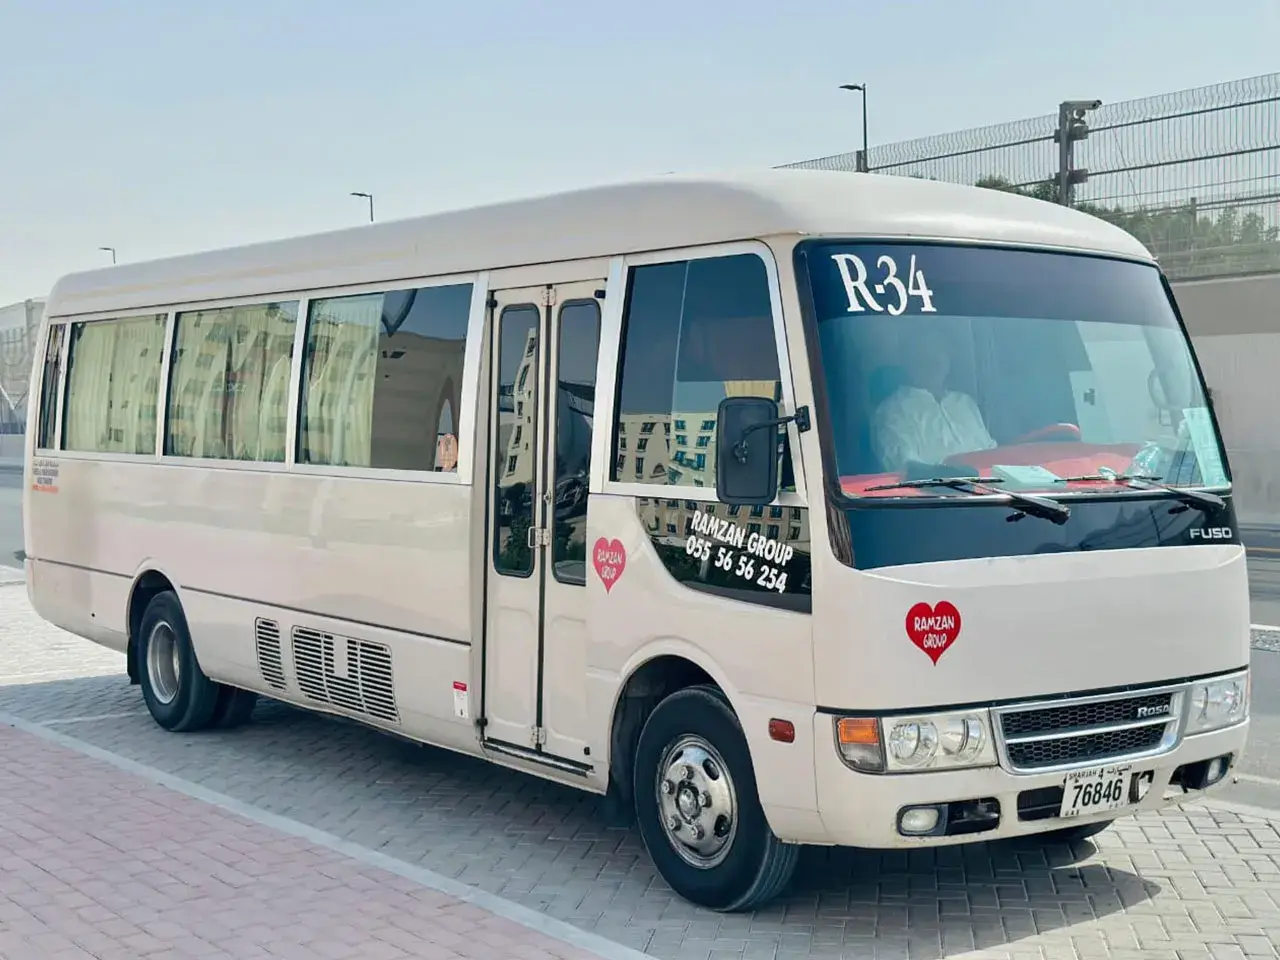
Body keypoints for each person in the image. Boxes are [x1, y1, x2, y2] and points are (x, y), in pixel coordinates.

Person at [871, 327, 996, 474]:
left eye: (938, 352)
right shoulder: (892, 412)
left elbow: (992, 454)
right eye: (921, 355)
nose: (931, 361)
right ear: (907, 361)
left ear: (949, 358)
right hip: (937, 494)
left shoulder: (966, 403)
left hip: (996, 492)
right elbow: (907, 471)